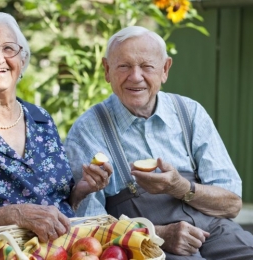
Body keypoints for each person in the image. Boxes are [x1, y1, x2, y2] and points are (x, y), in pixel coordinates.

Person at [64, 25, 253, 259]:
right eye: (124, 66)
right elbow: (87, 225)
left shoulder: (190, 113)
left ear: (165, 69)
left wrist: (181, 187)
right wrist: (157, 233)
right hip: (148, 244)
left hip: (214, 231)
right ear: (106, 69)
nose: (135, 76)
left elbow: (232, 204)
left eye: (146, 66)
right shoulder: (89, 129)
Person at [0, 11, 112, 243]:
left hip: (67, 248)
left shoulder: (41, 119)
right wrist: (14, 214)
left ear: (22, 59)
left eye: (8, 48)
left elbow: (60, 202)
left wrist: (82, 189)